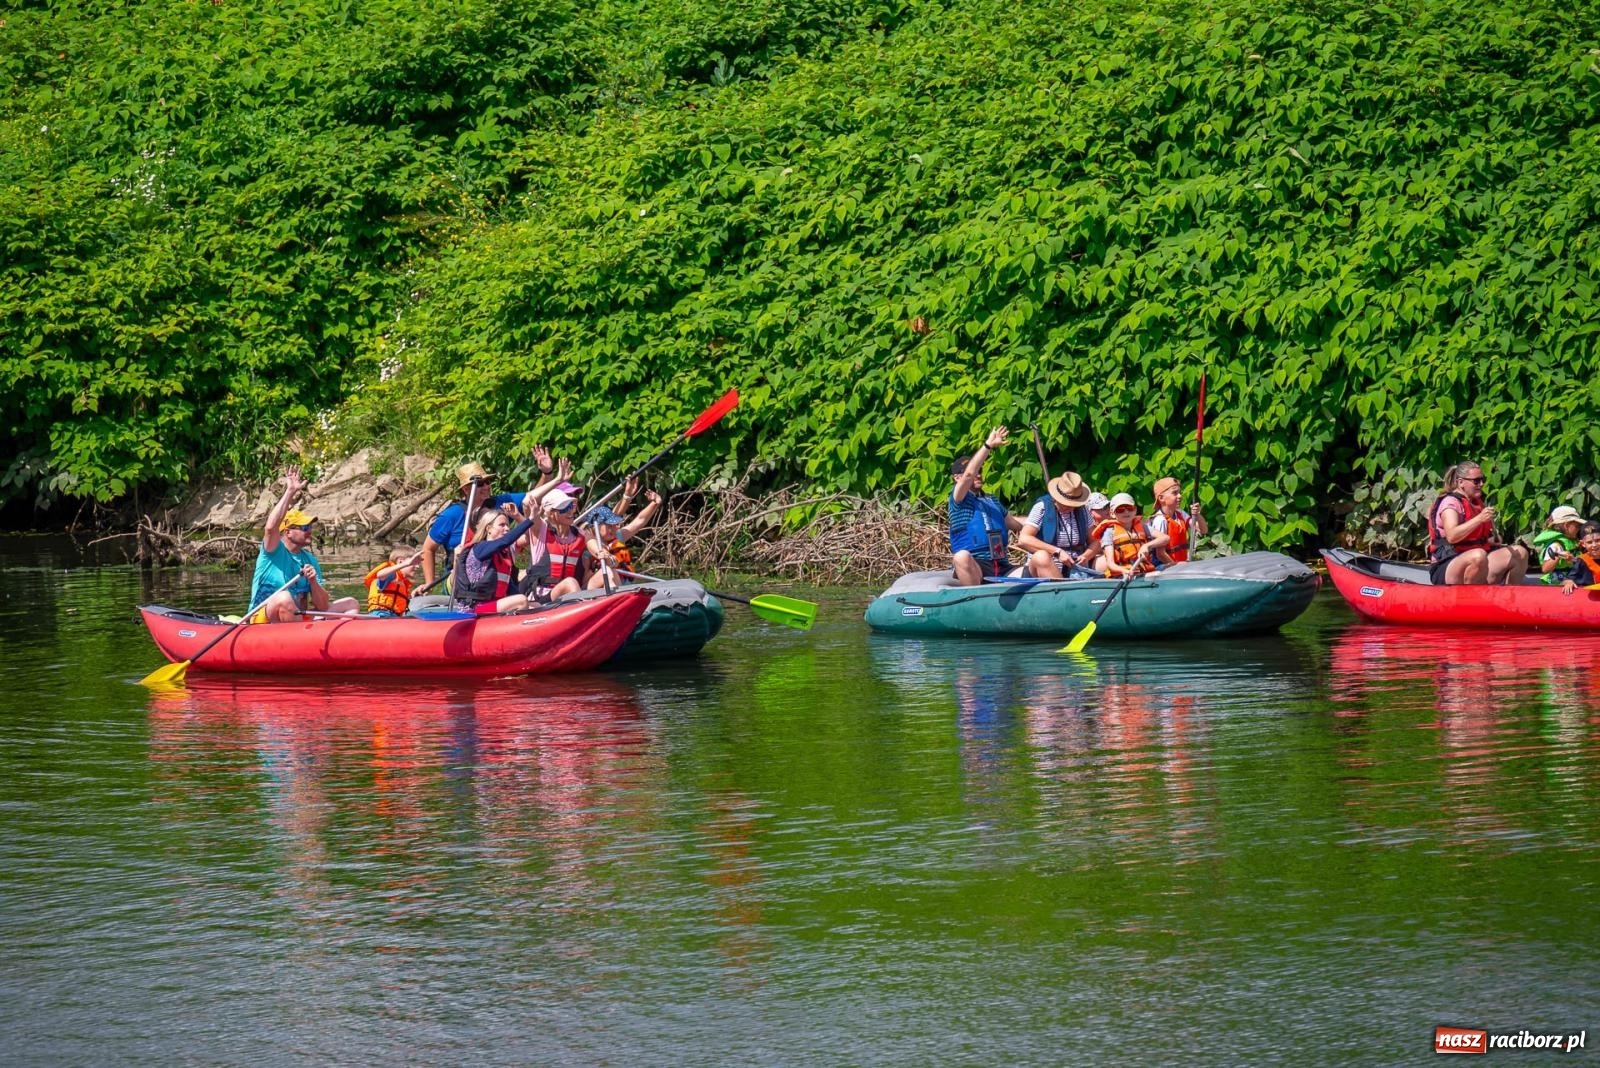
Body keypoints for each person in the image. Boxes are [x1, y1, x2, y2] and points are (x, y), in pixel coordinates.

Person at [421, 446, 560, 588]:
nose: (486, 486)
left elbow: (532, 498)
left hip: (496, 573)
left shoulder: (501, 502)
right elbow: (428, 548)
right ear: (466, 489)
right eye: (480, 484)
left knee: (532, 573)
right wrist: (428, 584)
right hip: (461, 578)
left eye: (487, 482)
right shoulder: (451, 515)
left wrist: (547, 473)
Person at [248, 467, 360, 623]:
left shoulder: (309, 560)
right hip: (262, 619)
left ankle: (333, 643)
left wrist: (313, 582)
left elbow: (322, 606)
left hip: (297, 617)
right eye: (304, 528)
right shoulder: (272, 551)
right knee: (284, 598)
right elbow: (270, 528)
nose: (310, 531)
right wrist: (290, 491)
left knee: (350, 603)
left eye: (310, 527)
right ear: (288, 532)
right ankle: (302, 641)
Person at [1425, 461, 1529, 585]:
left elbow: (1472, 539)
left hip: (1478, 560)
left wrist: (1491, 540)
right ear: (1460, 482)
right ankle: (1470, 600)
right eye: (1476, 481)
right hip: (1447, 564)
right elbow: (1452, 536)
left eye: (1482, 479)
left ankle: (1509, 598)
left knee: (1520, 553)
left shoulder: (1476, 502)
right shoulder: (1450, 504)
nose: (1481, 484)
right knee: (1478, 556)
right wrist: (1479, 519)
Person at [950, 426, 1025, 586]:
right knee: (961, 556)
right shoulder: (958, 500)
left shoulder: (991, 500)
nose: (978, 474)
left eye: (980, 470)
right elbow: (969, 475)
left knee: (1035, 566)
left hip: (1001, 565)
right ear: (957, 478)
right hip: (976, 565)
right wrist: (988, 445)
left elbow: (1016, 523)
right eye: (974, 470)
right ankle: (975, 602)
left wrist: (1044, 516)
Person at [1015, 472, 1099, 579]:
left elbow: (1096, 541)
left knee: (1104, 562)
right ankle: (1062, 591)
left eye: (1074, 504)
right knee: (1042, 557)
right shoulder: (1042, 507)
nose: (1070, 507)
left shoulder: (1082, 510)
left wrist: (1086, 556)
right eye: (1066, 503)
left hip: (1076, 570)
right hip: (1045, 567)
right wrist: (1057, 551)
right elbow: (1024, 539)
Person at [452, 507, 535, 615]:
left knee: (534, 605)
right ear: (489, 529)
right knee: (521, 600)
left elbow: (510, 588)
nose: (507, 528)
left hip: (492, 605)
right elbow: (505, 541)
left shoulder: (503, 555)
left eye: (507, 525)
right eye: (502, 525)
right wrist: (530, 519)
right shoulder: (480, 548)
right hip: (474, 608)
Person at [582, 489, 664, 589]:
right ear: (596, 526)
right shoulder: (588, 551)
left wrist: (655, 503)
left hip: (622, 586)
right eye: (609, 526)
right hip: (598, 588)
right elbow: (585, 582)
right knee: (608, 571)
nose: (614, 528)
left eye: (614, 525)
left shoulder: (618, 536)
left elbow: (639, 521)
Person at [1092, 492, 1170, 578]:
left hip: (1143, 570)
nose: (1126, 512)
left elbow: (1165, 538)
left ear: (1135, 510)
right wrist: (1124, 570)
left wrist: (1147, 546)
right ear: (1112, 514)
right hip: (1122, 574)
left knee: (1171, 569)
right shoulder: (1109, 532)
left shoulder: (1142, 526)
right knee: (1157, 575)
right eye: (1120, 510)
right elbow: (1110, 564)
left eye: (1129, 508)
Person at [1148, 476, 1207, 564]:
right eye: (1174, 493)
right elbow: (1160, 554)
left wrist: (1197, 514)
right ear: (1161, 498)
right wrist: (1176, 566)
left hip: (1180, 564)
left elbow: (1203, 530)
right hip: (1165, 567)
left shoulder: (1180, 513)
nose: (1180, 496)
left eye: (1179, 492)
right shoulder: (1160, 520)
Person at [364, 547, 424, 617]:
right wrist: (407, 563)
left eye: (418, 564)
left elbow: (399, 601)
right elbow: (380, 575)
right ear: (400, 561)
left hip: (395, 617)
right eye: (414, 563)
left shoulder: (403, 582)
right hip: (381, 614)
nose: (417, 566)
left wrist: (413, 596)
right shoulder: (392, 575)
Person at [1535, 505, 1585, 584]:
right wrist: (1558, 556)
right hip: (1559, 584)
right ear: (1566, 525)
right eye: (1577, 526)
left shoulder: (1573, 541)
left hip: (1573, 579)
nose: (1579, 528)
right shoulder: (1556, 545)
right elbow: (1545, 569)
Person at [1558, 521, 1600, 594]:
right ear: (1583, 544)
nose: (1594, 545)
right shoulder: (1582, 561)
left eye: (1598, 540)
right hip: (1587, 597)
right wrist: (1568, 582)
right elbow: (1567, 580)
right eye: (1589, 542)